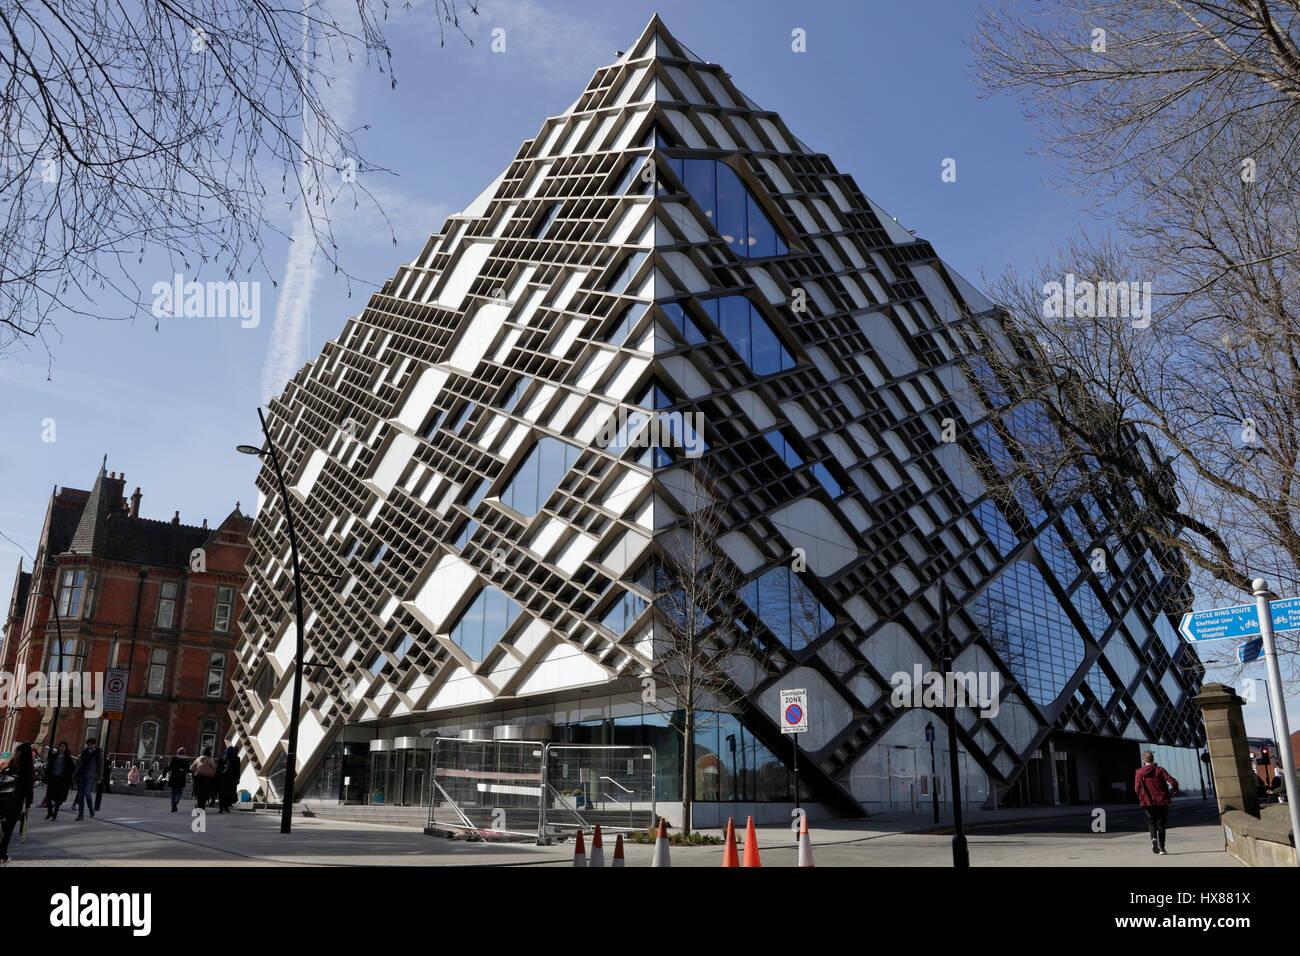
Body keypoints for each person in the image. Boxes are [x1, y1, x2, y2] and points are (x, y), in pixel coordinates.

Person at [1135, 750, 1179, 855]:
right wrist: (1174, 790)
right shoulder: (1160, 770)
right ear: (1153, 759)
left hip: (1147, 802)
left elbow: (1136, 788)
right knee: (1161, 824)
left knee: (1151, 822)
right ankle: (1162, 848)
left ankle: (1153, 839)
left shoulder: (1139, 773)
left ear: (1143, 760)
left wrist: (1142, 796)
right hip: (1161, 801)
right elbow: (1172, 781)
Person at [0, 742, 36, 864]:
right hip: (14, 801)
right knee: (7, 830)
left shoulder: (6, 764)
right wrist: (28, 806)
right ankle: (2, 855)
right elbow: (29, 788)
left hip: (1, 799)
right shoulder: (27, 767)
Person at [72, 737, 104, 821]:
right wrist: (75, 775)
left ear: (94, 744)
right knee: (80, 795)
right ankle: (80, 815)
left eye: (91, 744)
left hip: (91, 776)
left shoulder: (98, 752)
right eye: (88, 744)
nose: (90, 746)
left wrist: (99, 777)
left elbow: (100, 765)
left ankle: (91, 809)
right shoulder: (84, 752)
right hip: (82, 775)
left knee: (87, 793)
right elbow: (80, 764)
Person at [43, 741, 74, 820]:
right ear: (59, 747)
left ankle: (55, 814)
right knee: (48, 796)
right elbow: (49, 767)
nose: (62, 748)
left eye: (64, 746)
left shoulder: (68, 758)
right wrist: (46, 777)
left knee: (58, 798)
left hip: (61, 780)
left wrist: (69, 780)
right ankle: (50, 812)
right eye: (61, 746)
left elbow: (71, 770)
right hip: (52, 778)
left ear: (66, 748)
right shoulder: (54, 756)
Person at [216, 745, 239, 813]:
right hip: (231, 779)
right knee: (228, 793)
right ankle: (226, 807)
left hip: (222, 778)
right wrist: (237, 778)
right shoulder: (235, 758)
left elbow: (218, 768)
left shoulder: (222, 758)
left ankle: (221, 808)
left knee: (221, 793)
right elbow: (237, 770)